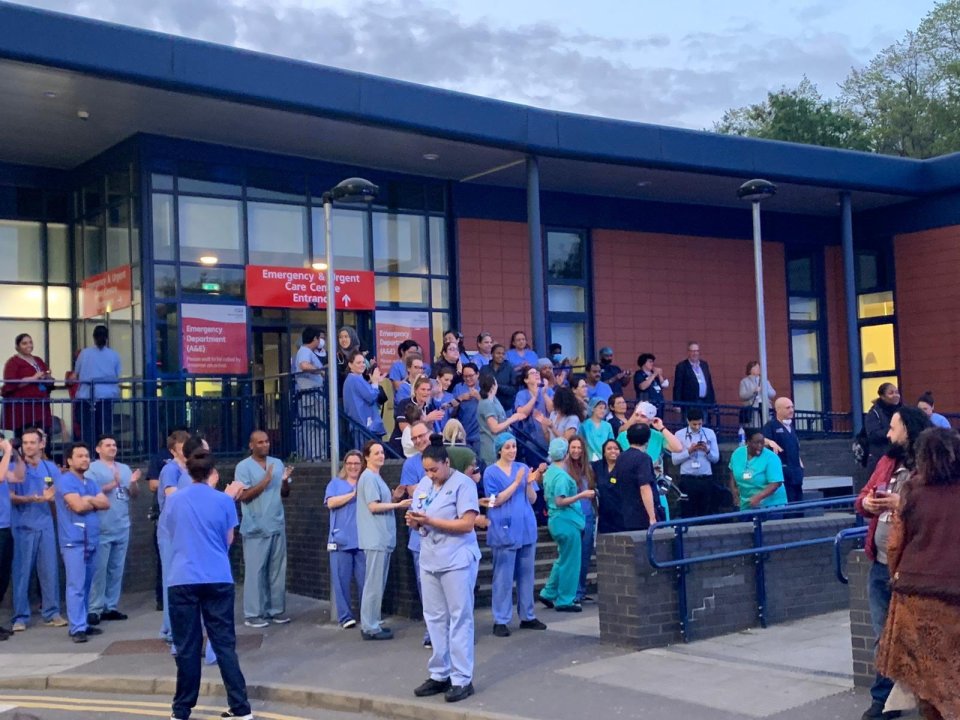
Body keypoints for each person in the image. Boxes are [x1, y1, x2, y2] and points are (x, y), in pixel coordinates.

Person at [160, 441, 250, 720]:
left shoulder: (175, 500)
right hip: (217, 576)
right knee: (224, 644)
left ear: (188, 470)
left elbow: (172, 534)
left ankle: (181, 710)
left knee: (187, 648)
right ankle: (241, 708)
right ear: (213, 472)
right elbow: (229, 539)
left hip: (182, 577)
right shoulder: (224, 500)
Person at [876, 427, 960, 720]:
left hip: (915, 600)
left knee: (926, 683)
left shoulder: (912, 490)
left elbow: (894, 543)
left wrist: (898, 574)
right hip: (955, 600)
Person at [855, 405, 930, 720]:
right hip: (881, 565)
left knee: (922, 637)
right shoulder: (886, 461)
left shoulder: (932, 466)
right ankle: (884, 702)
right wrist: (867, 503)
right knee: (882, 636)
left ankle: (932, 701)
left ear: (908, 431)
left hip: (915, 569)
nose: (887, 434)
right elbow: (861, 497)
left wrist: (904, 503)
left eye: (893, 428)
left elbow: (941, 507)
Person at [406, 436, 482, 703]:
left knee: (459, 617)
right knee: (435, 617)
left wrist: (430, 521)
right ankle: (440, 674)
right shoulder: (425, 485)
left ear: (446, 463)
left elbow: (467, 524)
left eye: (434, 469)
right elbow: (419, 514)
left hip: (457, 558)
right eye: (426, 470)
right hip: (430, 557)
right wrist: (414, 522)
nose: (430, 475)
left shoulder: (463, 484)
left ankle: (462, 678)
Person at [483, 433, 546, 637]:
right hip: (504, 527)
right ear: (499, 449)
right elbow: (494, 501)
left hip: (526, 525)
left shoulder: (522, 468)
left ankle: (527, 615)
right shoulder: (491, 473)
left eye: (514, 446)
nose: (512, 450)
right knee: (503, 575)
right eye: (508, 447)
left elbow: (533, 499)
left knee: (526, 574)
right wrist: (516, 482)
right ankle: (500, 619)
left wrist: (528, 483)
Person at [234, 431, 292, 628]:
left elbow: (285, 493)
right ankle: (253, 613)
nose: (265, 445)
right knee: (255, 571)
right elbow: (243, 496)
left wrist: (284, 481)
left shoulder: (277, 463)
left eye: (267, 441)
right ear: (251, 445)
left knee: (277, 570)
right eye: (260, 442)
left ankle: (275, 610)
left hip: (276, 523)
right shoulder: (243, 468)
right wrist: (265, 481)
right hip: (255, 526)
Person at [9, 427, 65, 632]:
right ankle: (20, 617)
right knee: (22, 573)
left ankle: (52, 613)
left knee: (49, 570)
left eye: (32, 442)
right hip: (22, 527)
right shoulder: (15, 467)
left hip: (46, 526)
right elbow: (10, 496)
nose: (28, 446)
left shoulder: (50, 468)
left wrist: (54, 495)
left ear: (42, 444)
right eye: (25, 443)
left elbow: (60, 491)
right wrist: (30, 499)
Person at [55, 442, 110, 642]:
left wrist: (89, 499)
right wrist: (89, 501)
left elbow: (106, 503)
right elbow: (77, 506)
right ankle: (76, 627)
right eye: (80, 456)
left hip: (91, 539)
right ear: (69, 460)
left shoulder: (91, 483)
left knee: (87, 584)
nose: (85, 459)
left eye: (87, 456)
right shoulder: (66, 481)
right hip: (74, 541)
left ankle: (84, 623)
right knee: (76, 585)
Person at [356, 441, 411, 640]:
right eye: (376, 453)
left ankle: (373, 621)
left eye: (381, 452)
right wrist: (399, 505)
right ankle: (370, 627)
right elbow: (373, 506)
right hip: (375, 537)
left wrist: (394, 498)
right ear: (367, 457)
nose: (381, 455)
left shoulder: (375, 477)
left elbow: (380, 503)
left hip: (382, 537)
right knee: (374, 584)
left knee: (378, 583)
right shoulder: (369, 477)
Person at [87, 434, 140, 624]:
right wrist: (114, 483)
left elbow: (133, 494)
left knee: (116, 568)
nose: (112, 448)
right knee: (99, 569)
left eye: (114, 445)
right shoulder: (92, 469)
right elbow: (90, 492)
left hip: (121, 524)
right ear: (98, 449)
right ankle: (94, 608)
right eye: (108, 445)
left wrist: (132, 482)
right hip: (102, 525)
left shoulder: (124, 468)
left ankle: (111, 606)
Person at [395, 422, 436, 647]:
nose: (420, 440)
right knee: (426, 589)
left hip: (444, 536)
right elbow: (417, 497)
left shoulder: (443, 456)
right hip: (420, 538)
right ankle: (432, 632)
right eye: (415, 438)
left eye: (423, 435)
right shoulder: (411, 465)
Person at [538, 438, 590, 612]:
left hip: (556, 520)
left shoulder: (550, 472)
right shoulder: (561, 476)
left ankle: (548, 592)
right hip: (565, 521)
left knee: (562, 559)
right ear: (566, 453)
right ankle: (565, 599)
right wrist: (582, 495)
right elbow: (560, 501)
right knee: (571, 562)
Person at [324, 451, 366, 630]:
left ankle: (367, 615)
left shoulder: (367, 483)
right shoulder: (335, 484)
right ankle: (345, 616)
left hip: (363, 539)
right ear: (345, 465)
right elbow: (331, 503)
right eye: (350, 463)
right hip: (340, 539)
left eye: (357, 463)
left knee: (365, 580)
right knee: (341, 581)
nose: (353, 466)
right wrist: (353, 495)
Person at [74, 325, 122, 448]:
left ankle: (89, 455)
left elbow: (76, 374)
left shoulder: (84, 354)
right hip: (107, 396)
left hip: (86, 397)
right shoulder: (114, 355)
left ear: (94, 337)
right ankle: (104, 455)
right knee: (105, 430)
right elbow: (117, 376)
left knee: (87, 429)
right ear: (107, 338)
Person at [607, 424, 659, 532]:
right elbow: (644, 487)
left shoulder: (621, 457)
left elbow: (614, 480)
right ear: (647, 440)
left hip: (624, 513)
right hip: (641, 515)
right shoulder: (643, 458)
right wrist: (652, 517)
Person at [564, 437, 597, 605]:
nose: (576, 450)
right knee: (573, 557)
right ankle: (571, 592)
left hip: (588, 515)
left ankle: (581, 590)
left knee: (585, 556)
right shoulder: (564, 469)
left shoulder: (588, 469)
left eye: (579, 447)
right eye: (573, 447)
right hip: (572, 517)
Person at [670, 408, 721, 518]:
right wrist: (689, 451)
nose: (697, 427)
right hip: (688, 479)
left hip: (706, 478)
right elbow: (674, 460)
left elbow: (716, 458)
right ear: (688, 421)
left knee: (706, 512)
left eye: (700, 424)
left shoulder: (709, 433)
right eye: (694, 424)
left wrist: (707, 451)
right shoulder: (679, 434)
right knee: (687, 511)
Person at [2, 334, 54, 436]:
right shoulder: (13, 362)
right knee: (25, 436)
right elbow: (11, 384)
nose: (28, 345)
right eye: (24, 343)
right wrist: (33, 378)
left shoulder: (38, 360)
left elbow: (45, 375)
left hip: (40, 405)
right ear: (17, 346)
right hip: (23, 408)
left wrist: (47, 377)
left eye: (30, 342)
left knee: (43, 436)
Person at [728, 428, 787, 511]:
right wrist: (734, 492)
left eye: (762, 443)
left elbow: (775, 484)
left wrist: (758, 497)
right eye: (756, 443)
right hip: (746, 504)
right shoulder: (737, 454)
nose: (760, 446)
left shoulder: (771, 458)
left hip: (771, 505)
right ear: (747, 442)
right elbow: (732, 473)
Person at [477, 374, 527, 466]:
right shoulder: (486, 403)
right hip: (492, 448)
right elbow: (494, 428)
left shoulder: (494, 400)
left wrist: (513, 418)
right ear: (493, 385)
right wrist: (512, 419)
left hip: (501, 446)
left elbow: (500, 420)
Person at [763, 397, 804, 503]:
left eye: (792, 407)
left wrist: (800, 464)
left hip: (796, 470)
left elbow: (795, 446)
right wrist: (770, 442)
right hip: (783, 471)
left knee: (799, 501)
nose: (791, 410)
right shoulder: (771, 425)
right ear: (778, 409)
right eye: (787, 408)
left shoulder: (791, 426)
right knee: (788, 501)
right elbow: (760, 439)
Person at [342, 351, 385, 450]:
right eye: (358, 363)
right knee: (365, 454)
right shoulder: (355, 379)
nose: (362, 365)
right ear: (350, 364)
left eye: (363, 362)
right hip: (364, 424)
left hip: (359, 424)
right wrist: (375, 382)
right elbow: (371, 396)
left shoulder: (352, 379)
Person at [294, 327, 326, 459]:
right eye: (320, 338)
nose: (321, 341)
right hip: (311, 396)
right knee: (315, 427)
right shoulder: (305, 351)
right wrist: (320, 370)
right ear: (315, 339)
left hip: (311, 396)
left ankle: (314, 455)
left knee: (312, 427)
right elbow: (304, 365)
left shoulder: (306, 351)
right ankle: (316, 456)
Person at [0, 437, 19, 640]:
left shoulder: (4, 464)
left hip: (6, 526)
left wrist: (16, 454)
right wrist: (6, 452)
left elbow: (19, 477)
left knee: (3, 577)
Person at [513, 367, 552, 456]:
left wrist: (544, 394)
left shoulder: (548, 391)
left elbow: (552, 410)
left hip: (549, 436)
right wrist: (534, 397)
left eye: (537, 372)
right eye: (532, 373)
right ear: (526, 380)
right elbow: (521, 414)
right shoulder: (522, 394)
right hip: (531, 439)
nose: (537, 374)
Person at [865, 383, 902, 475]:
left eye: (897, 392)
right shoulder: (874, 413)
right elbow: (873, 435)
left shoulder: (903, 411)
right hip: (880, 457)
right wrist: (893, 431)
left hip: (899, 457)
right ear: (882, 396)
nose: (895, 395)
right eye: (891, 393)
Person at [673, 341, 715, 419]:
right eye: (692, 351)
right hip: (689, 403)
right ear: (688, 352)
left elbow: (709, 383)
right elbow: (678, 386)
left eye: (697, 351)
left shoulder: (704, 365)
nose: (695, 353)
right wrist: (677, 404)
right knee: (690, 426)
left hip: (704, 402)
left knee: (703, 425)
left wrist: (712, 402)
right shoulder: (682, 366)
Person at [592, 439, 622, 534]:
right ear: (604, 452)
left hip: (622, 514)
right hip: (604, 514)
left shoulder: (625, 466)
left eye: (616, 448)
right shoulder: (597, 466)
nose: (613, 451)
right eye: (609, 449)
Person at [451, 363, 482, 453]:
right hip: (463, 433)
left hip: (479, 435)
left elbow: (491, 407)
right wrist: (460, 398)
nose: (468, 379)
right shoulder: (458, 387)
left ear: (477, 374)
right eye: (465, 376)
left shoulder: (484, 387)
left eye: (471, 376)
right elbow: (449, 408)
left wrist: (478, 397)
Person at [738, 361, 776, 427]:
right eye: (755, 367)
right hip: (753, 407)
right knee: (755, 426)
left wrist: (765, 390)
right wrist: (753, 391)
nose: (758, 369)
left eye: (759, 367)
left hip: (765, 406)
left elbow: (773, 393)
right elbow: (742, 395)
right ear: (750, 370)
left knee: (766, 424)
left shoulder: (765, 381)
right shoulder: (744, 381)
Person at [481, 344, 517, 411]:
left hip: (506, 408)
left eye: (503, 354)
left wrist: (498, 386)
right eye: (498, 353)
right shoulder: (484, 369)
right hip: (488, 408)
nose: (501, 356)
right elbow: (481, 387)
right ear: (492, 354)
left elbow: (514, 390)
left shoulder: (510, 369)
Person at [634, 353, 668, 417]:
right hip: (646, 402)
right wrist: (654, 374)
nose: (652, 364)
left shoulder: (653, 374)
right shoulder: (639, 374)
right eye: (650, 362)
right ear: (644, 363)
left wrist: (660, 375)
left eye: (652, 362)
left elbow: (664, 385)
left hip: (659, 403)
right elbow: (642, 387)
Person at [580, 397, 614, 463]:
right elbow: (581, 442)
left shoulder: (608, 426)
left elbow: (611, 442)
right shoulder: (584, 425)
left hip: (605, 459)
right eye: (600, 408)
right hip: (589, 459)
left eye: (604, 408)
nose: (603, 411)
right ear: (592, 408)